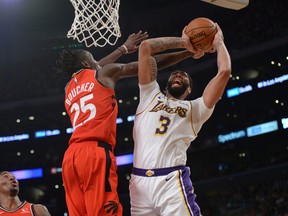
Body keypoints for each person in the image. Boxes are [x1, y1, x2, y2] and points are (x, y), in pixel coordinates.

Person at [58, 30, 198, 216]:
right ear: (86, 64)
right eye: (93, 59)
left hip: (70, 157)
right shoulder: (103, 73)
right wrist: (189, 51)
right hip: (95, 153)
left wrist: (123, 49)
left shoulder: (68, 88)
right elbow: (148, 65)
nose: (98, 62)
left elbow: (97, 66)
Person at [129, 23, 231, 216]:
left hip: (170, 182)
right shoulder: (149, 95)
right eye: (175, 73)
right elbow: (146, 48)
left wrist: (219, 43)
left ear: (189, 89)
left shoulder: (196, 109)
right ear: (166, 82)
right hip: (138, 184)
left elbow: (224, 72)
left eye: (184, 76)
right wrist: (185, 44)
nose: (178, 74)